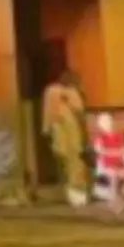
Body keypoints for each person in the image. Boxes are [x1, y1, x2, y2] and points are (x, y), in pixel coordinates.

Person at [42, 70, 89, 207]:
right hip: (71, 130)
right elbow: (80, 113)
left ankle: (68, 192)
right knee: (76, 163)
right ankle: (77, 193)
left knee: (63, 162)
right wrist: (85, 133)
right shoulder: (72, 93)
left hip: (57, 130)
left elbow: (47, 113)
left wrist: (46, 130)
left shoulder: (50, 92)